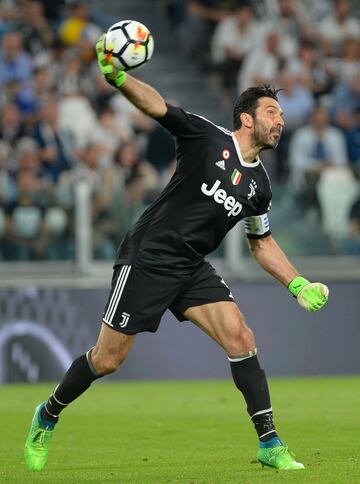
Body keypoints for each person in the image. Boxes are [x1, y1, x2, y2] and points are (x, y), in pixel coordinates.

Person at [24, 35, 329, 473]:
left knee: (241, 338)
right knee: (108, 359)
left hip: (191, 267)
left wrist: (296, 283)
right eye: (271, 112)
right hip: (148, 256)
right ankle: (48, 414)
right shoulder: (207, 138)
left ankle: (270, 443)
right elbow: (156, 106)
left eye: (280, 114)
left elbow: (260, 242)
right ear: (246, 119)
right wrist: (119, 78)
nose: (280, 121)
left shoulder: (260, 184)